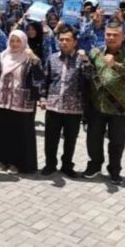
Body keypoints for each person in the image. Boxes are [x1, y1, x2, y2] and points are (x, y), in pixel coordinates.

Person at [82, 21, 125, 185]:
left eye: (115, 35)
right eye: (108, 34)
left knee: (117, 142)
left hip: (119, 107)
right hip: (97, 104)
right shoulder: (95, 52)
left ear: (122, 37)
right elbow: (86, 69)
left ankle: (114, 170)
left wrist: (116, 65)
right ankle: (94, 165)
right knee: (93, 138)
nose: (111, 37)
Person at [0, 30, 43, 174]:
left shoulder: (29, 58)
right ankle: (1, 160)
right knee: (2, 132)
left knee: (20, 133)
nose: (15, 44)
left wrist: (35, 59)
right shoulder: (3, 56)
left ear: (24, 42)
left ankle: (17, 163)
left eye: (18, 41)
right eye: (12, 41)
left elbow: (39, 77)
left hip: (22, 103)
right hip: (2, 100)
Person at [39, 26, 93, 178]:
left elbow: (90, 77)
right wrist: (43, 98)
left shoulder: (81, 59)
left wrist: (86, 61)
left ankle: (67, 165)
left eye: (67, 40)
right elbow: (45, 80)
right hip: (53, 106)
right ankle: (50, 164)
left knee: (70, 139)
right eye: (61, 39)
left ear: (75, 42)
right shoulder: (52, 58)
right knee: (51, 138)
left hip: (73, 108)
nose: (63, 42)